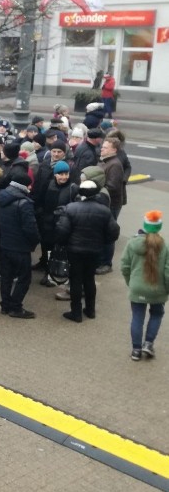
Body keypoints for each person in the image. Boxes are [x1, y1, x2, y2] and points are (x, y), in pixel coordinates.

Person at [55, 180, 121, 322]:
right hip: (95, 250)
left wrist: (63, 243)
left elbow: (62, 231)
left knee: (76, 280)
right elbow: (114, 232)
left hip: (75, 250)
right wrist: (103, 242)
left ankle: (76, 312)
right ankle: (90, 310)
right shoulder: (104, 211)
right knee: (89, 279)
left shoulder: (71, 208)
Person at [122, 211, 169, 361]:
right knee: (156, 313)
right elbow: (167, 271)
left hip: (137, 287)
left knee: (137, 316)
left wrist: (131, 282)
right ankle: (148, 344)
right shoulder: (164, 246)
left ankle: (136, 350)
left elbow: (124, 266)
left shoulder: (132, 243)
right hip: (157, 288)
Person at [0, 172, 39, 319]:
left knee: (6, 277)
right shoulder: (24, 203)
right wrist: (35, 241)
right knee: (24, 278)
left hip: (5, 244)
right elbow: (30, 228)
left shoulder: (2, 197)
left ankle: (5, 305)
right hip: (20, 247)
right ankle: (16, 307)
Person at [97, 137, 127, 274]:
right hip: (105, 202)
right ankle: (101, 260)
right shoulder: (106, 161)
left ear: (114, 150)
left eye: (105, 147)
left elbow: (113, 186)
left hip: (111, 204)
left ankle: (106, 264)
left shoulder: (114, 164)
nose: (102, 148)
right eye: (102, 146)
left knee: (108, 233)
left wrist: (95, 187)